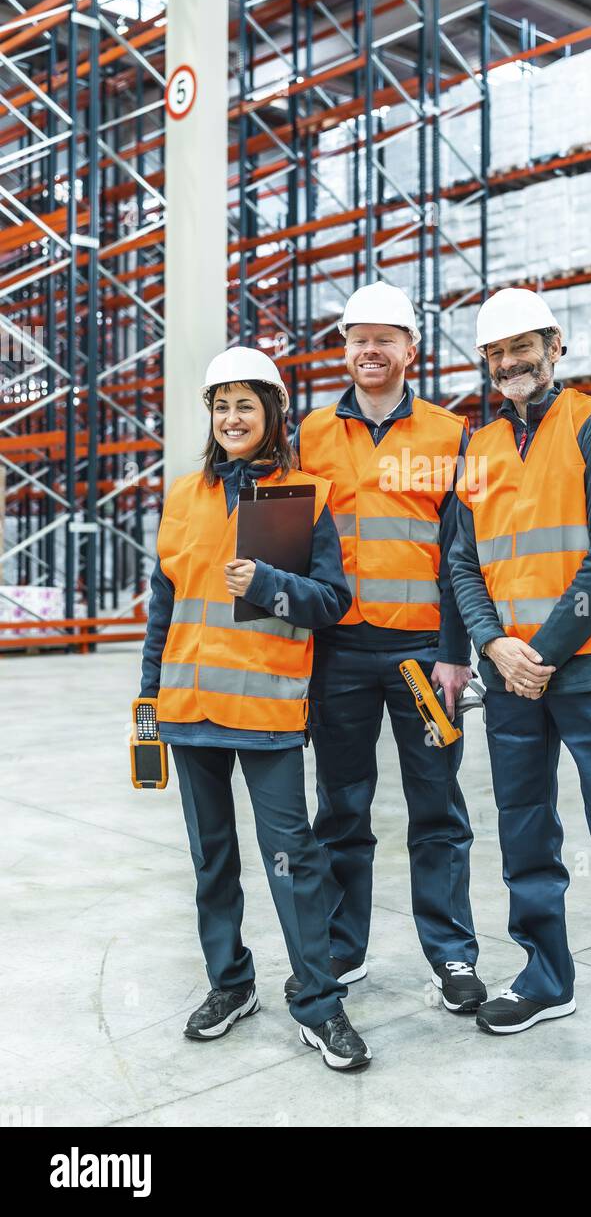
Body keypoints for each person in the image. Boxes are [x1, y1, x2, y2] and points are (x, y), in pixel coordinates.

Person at [449, 286, 591, 1075]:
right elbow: (462, 564)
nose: (510, 363)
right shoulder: (476, 448)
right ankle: (546, 977)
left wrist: (537, 651)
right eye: (496, 354)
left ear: (555, 345)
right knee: (525, 832)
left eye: (522, 348)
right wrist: (493, 644)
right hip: (513, 676)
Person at [139, 345, 371, 1071]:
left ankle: (319, 1004)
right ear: (210, 416)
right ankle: (229, 984)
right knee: (212, 860)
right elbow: (163, 606)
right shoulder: (184, 496)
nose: (233, 417)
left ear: (273, 413)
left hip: (267, 713)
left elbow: (333, 602)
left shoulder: (305, 494)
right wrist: (148, 701)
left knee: (292, 859)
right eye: (222, 405)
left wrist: (270, 582)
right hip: (188, 708)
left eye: (247, 404)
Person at [284, 281, 486, 1014]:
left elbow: (462, 551)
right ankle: (343, 947)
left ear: (411, 349)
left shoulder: (448, 434)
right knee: (341, 808)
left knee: (438, 806)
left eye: (384, 338)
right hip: (336, 652)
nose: (369, 350)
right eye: (356, 338)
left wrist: (457, 650)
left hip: (425, 653)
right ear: (344, 349)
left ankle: (453, 955)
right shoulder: (307, 435)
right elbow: (284, 545)